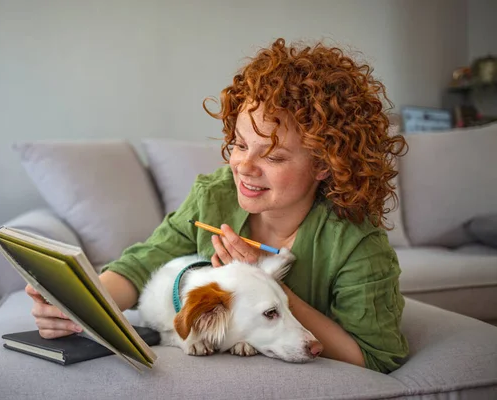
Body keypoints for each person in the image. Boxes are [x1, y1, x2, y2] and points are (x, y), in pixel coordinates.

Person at [25, 38, 409, 373]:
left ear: (326, 165)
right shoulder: (216, 196)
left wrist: (263, 280)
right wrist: (78, 306)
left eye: (272, 157)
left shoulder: (356, 244)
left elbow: (374, 357)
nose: (243, 166)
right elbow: (143, 262)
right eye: (240, 145)